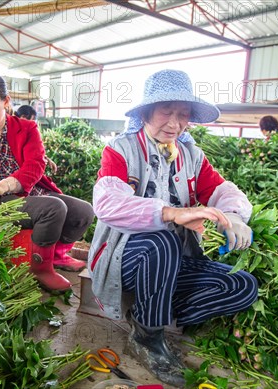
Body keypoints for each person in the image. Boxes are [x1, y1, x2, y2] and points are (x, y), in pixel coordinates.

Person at [87, 69, 259, 386]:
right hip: (125, 257)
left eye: (183, 115)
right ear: (145, 112)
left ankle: (153, 309)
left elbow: (223, 190)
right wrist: (171, 213)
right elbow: (107, 203)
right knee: (160, 241)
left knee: (242, 285)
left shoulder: (191, 154)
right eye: (167, 111)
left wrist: (233, 214)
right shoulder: (121, 150)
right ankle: (147, 337)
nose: (175, 123)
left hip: (174, 262)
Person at [0, 72, 94, 290]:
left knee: (84, 211)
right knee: (53, 208)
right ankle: (41, 269)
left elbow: (36, 165)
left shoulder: (27, 129)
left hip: (27, 191)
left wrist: (5, 184)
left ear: (5, 101)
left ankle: (57, 254)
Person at [14, 104, 58, 174]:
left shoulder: (27, 133)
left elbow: (33, 152)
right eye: (32, 120)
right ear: (23, 117)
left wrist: (45, 158)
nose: (33, 124)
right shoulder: (14, 131)